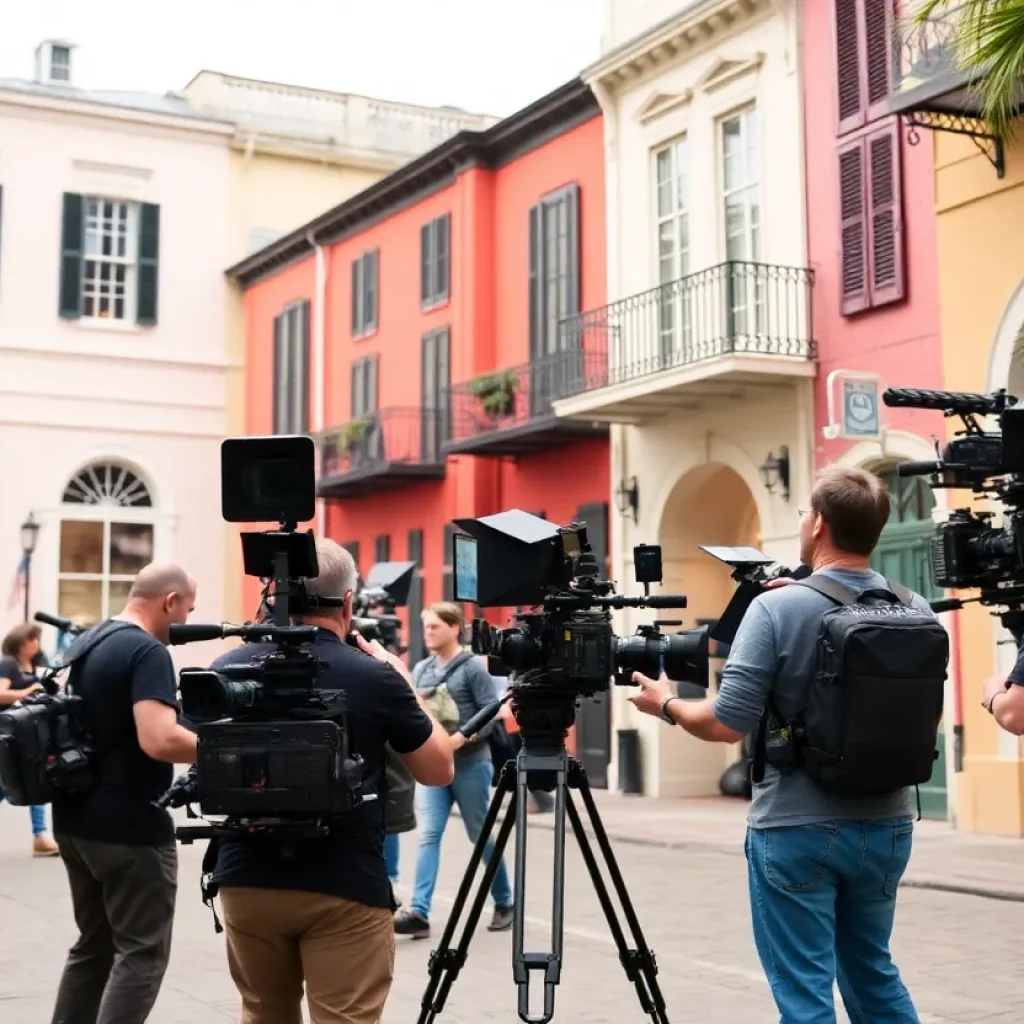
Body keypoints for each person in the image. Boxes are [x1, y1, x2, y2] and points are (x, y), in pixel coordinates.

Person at [630, 466, 934, 1023]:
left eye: (802, 514)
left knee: (805, 995)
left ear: (818, 525)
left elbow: (727, 723)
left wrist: (667, 705)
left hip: (796, 827)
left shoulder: (774, 608)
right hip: (889, 824)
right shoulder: (915, 608)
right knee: (873, 974)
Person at [209, 539, 454, 1024]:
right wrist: (404, 681)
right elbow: (437, 768)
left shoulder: (225, 671)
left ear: (270, 596)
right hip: (343, 884)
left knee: (262, 1014)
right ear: (347, 603)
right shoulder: (373, 676)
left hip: (246, 877)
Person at [50, 563, 200, 1024]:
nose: (186, 625)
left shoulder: (89, 642)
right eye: (188, 611)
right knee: (141, 953)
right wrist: (227, 750)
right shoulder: (146, 651)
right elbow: (158, 739)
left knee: (92, 946)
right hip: (131, 830)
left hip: (76, 822)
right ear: (169, 602)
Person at [394, 602, 514, 938]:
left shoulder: (474, 667)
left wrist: (461, 739)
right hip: (435, 767)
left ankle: (504, 900)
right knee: (429, 835)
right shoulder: (422, 669)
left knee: (480, 834)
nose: (428, 633)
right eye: (426, 627)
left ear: (454, 628)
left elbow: (492, 711)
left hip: (472, 764)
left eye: (434, 627)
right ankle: (419, 911)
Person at [0, 622, 60, 855]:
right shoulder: (9, 664)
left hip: (31, 733)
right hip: (8, 732)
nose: (35, 643)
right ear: (20, 642)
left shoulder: (39, 664)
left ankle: (41, 836)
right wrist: (28, 690)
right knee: (6, 782)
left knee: (36, 779)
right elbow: (1, 692)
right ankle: (40, 836)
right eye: (31, 639)